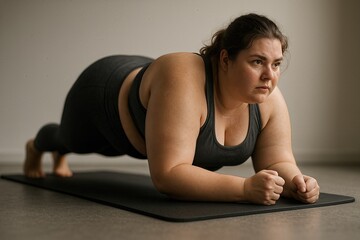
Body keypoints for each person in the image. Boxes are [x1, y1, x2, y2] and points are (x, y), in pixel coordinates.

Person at [24, 13, 320, 205]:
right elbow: (168, 175)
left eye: (277, 64)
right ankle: (38, 146)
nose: (270, 75)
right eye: (257, 62)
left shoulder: (268, 98)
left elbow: (277, 160)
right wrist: (243, 190)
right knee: (70, 139)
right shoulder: (185, 78)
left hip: (154, 91)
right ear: (226, 59)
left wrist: (297, 181)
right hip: (102, 93)